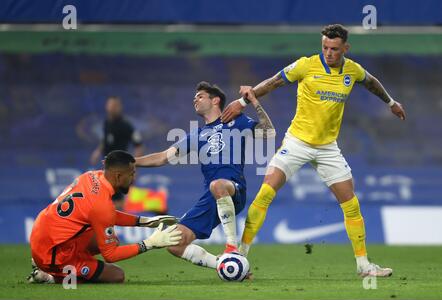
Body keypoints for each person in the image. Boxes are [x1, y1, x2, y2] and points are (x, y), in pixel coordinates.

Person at [221, 24, 406, 277]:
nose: (329, 53)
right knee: (265, 193)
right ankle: (240, 256)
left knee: (351, 205)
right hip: (297, 142)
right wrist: (243, 101)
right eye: (325, 47)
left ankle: (364, 266)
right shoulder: (305, 65)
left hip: (328, 148)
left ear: (345, 49)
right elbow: (274, 82)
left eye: (335, 49)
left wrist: (391, 103)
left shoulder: (352, 70)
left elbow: (371, 82)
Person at [135, 81, 274, 270]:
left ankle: (232, 249)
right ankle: (227, 265)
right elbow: (161, 158)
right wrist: (132, 162)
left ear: (215, 100)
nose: (195, 100)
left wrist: (255, 101)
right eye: (194, 97)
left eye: (200, 96)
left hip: (233, 188)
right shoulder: (195, 135)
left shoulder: (237, 120)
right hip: (211, 197)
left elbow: (269, 132)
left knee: (217, 185)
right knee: (174, 243)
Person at [28, 150, 181, 284]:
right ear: (119, 176)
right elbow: (110, 255)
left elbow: (104, 215)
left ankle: (53, 263)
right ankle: (49, 275)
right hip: (52, 254)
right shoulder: (101, 205)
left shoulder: (91, 176)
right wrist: (149, 244)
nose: (134, 179)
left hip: (42, 234)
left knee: (111, 240)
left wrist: (144, 222)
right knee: (116, 275)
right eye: (132, 174)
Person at [90, 96, 145, 210]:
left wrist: (134, 168)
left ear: (120, 107)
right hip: (107, 166)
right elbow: (105, 140)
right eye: (110, 105)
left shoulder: (126, 126)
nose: (112, 108)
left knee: (118, 200)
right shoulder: (106, 123)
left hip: (120, 169)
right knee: (106, 195)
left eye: (115, 106)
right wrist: (97, 151)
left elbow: (139, 146)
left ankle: (118, 223)